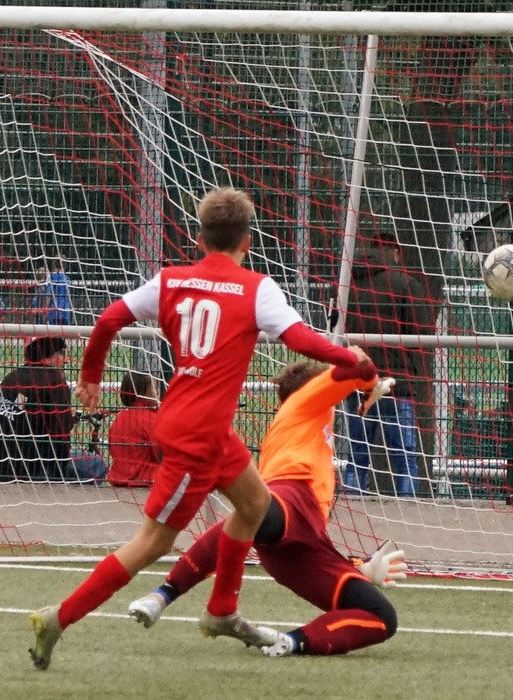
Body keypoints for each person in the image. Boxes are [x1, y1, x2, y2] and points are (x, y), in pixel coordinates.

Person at [27, 186, 371, 671]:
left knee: (254, 505)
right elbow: (301, 341)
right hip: (197, 439)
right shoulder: (256, 288)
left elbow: (107, 320)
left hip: (199, 425)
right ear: (247, 241)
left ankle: (222, 609)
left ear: (199, 239)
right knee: (152, 542)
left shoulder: (171, 280)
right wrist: (352, 361)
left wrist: (91, 377)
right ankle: (58, 618)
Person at [127, 359, 407, 657]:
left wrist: (363, 570)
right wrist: (370, 383)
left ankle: (289, 642)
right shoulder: (303, 403)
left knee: (381, 617)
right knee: (255, 514)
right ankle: (163, 596)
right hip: (292, 498)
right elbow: (354, 361)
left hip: (301, 544)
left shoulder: (310, 417)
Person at [342, 231, 432, 498]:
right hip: (397, 383)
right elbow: (421, 333)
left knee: (357, 455)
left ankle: (352, 507)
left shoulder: (348, 283)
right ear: (395, 252)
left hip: (358, 381)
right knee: (405, 457)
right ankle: (407, 508)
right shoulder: (406, 284)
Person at [0, 336, 75, 482]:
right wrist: (58, 474)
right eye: (61, 354)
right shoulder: (54, 382)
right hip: (36, 469)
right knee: (96, 464)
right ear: (48, 357)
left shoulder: (11, 378)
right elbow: (60, 433)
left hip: (0, 464)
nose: (65, 360)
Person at [107, 370, 163, 488]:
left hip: (118, 481)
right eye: (155, 387)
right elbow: (161, 454)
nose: (158, 391)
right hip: (146, 482)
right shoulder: (151, 419)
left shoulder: (119, 418)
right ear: (142, 392)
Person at [46, 259, 73, 325]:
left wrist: (46, 309)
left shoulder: (51, 277)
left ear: (53, 265)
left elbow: (48, 295)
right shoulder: (67, 279)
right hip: (65, 311)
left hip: (54, 311)